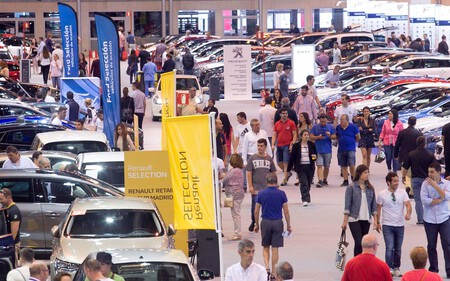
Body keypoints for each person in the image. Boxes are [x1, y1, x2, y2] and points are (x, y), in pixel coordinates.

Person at [254, 172, 292, 279]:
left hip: (265, 221)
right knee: (275, 248)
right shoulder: (282, 194)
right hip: (277, 222)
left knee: (265, 246)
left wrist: (256, 224)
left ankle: (266, 267)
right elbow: (286, 211)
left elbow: (256, 211)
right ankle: (274, 272)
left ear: (266, 182)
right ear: (276, 182)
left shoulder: (261, 194)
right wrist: (289, 225)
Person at [377, 172, 412, 277]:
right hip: (387, 224)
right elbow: (378, 208)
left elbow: (408, 205)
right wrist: (377, 222)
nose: (397, 183)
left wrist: (408, 213)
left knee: (398, 248)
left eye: (397, 181)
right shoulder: (382, 194)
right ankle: (389, 268)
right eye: (395, 181)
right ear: (388, 182)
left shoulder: (402, 193)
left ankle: (397, 267)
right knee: (389, 247)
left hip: (400, 225)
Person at [420, 162, 450, 278]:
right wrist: (439, 199)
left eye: (432, 172)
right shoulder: (424, 184)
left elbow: (447, 196)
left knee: (447, 244)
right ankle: (433, 269)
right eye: (428, 172)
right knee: (431, 245)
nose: (430, 174)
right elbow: (424, 201)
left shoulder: (446, 183)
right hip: (429, 219)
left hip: (444, 218)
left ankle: (449, 269)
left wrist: (435, 186)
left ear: (439, 172)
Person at [342, 165, 379, 257]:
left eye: (367, 173)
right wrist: (345, 222)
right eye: (365, 173)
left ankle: (363, 261)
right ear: (359, 174)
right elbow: (347, 205)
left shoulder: (370, 188)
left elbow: (373, 206)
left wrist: (376, 220)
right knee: (358, 242)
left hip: (366, 218)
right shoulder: (351, 187)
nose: (367, 175)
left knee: (364, 244)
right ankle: (356, 262)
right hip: (354, 218)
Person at [247, 138, 276, 233]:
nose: (259, 148)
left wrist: (275, 184)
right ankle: (254, 221)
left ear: (265, 147)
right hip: (256, 187)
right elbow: (249, 172)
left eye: (261, 146)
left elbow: (273, 172)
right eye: (258, 146)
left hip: (267, 187)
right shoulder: (252, 158)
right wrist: (250, 186)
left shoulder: (268, 159)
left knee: (266, 207)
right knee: (254, 207)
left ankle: (264, 223)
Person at [288, 129, 316, 206]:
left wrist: (314, 157)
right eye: (305, 135)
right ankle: (305, 199)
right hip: (300, 167)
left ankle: (306, 195)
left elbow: (315, 154)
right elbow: (292, 157)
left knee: (309, 182)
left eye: (307, 135)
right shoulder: (296, 145)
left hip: (310, 166)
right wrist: (289, 168)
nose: (306, 136)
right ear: (301, 136)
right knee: (304, 182)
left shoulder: (312, 144)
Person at [310, 113, 336, 187]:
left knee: (327, 166)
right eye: (321, 122)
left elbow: (335, 136)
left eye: (324, 122)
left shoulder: (330, 127)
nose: (323, 123)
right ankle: (320, 180)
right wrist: (318, 137)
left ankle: (325, 179)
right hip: (318, 150)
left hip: (327, 150)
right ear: (319, 120)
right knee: (319, 165)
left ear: (327, 120)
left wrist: (330, 136)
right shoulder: (315, 127)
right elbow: (311, 137)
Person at [272, 108, 297, 186]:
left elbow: (295, 134)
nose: (285, 115)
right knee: (279, 162)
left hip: (287, 145)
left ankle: (285, 180)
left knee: (286, 163)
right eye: (283, 113)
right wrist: (272, 144)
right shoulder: (277, 124)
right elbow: (274, 134)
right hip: (279, 145)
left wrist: (292, 143)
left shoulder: (291, 123)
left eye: (286, 113)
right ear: (280, 114)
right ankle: (288, 172)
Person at [223, 154, 245, 241]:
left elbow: (225, 179)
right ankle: (237, 232)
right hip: (237, 194)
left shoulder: (234, 171)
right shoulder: (239, 170)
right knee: (235, 214)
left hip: (234, 195)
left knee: (236, 215)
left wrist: (223, 175)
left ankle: (237, 233)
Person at [336, 114, 360, 187]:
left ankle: (354, 179)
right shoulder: (338, 127)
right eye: (340, 120)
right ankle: (345, 180)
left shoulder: (353, 127)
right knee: (343, 166)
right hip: (341, 148)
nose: (341, 121)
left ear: (347, 120)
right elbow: (337, 136)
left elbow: (358, 137)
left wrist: (352, 142)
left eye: (342, 120)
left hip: (350, 148)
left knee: (352, 165)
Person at [0, 188, 22, 266]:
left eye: (1, 199)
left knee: (12, 265)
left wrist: (10, 246)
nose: (0, 201)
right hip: (5, 243)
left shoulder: (14, 210)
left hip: (12, 244)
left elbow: (14, 230)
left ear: (8, 197)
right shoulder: (6, 209)